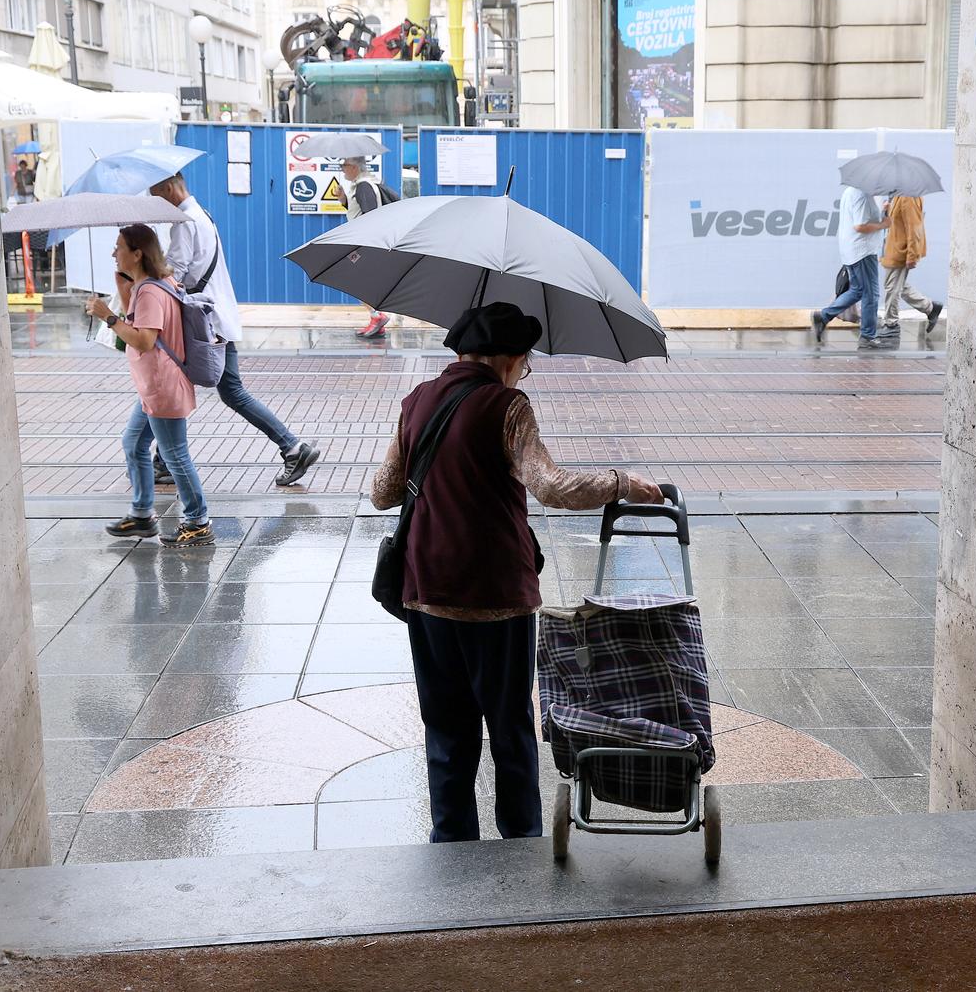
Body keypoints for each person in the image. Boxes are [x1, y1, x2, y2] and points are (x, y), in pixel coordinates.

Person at [369, 302, 664, 843]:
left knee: (447, 727)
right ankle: (521, 837)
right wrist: (621, 481)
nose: (524, 371)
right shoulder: (506, 406)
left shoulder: (416, 401)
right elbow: (551, 486)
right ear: (507, 359)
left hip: (425, 589)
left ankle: (452, 840)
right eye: (524, 361)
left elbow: (382, 492)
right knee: (508, 727)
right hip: (495, 595)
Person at [149, 173, 322, 487]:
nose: (156, 202)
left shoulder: (185, 222)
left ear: (171, 187)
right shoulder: (203, 216)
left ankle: (293, 447)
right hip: (213, 320)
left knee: (213, 391)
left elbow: (173, 273)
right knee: (202, 389)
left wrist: (144, 267)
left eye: (157, 194)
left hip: (203, 326)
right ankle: (164, 460)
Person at [84, 225, 214, 547]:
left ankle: (198, 521)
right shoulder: (151, 285)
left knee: (174, 455)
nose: (114, 253)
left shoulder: (151, 292)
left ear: (137, 253)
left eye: (119, 247)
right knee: (133, 443)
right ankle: (142, 514)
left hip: (162, 386)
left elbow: (144, 339)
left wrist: (108, 316)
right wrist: (125, 291)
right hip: (153, 385)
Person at [812, 183, 887, 350]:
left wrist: (881, 212)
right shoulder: (863, 195)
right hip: (863, 252)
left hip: (853, 250)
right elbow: (860, 226)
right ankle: (868, 336)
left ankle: (823, 316)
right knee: (871, 295)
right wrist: (883, 224)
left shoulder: (851, 191)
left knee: (858, 290)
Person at [339, 157, 395, 339]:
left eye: (344, 166)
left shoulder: (363, 185)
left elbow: (370, 215)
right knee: (365, 282)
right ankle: (376, 320)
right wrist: (344, 200)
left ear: (354, 167)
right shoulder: (364, 184)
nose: (342, 169)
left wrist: (363, 245)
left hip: (366, 242)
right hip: (367, 242)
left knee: (354, 280)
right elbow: (361, 210)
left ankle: (377, 315)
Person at [878, 195, 943, 337]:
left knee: (892, 287)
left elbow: (914, 227)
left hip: (901, 250)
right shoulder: (898, 195)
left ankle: (891, 325)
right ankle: (930, 308)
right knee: (898, 285)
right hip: (893, 249)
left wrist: (912, 255)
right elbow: (897, 221)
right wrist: (887, 210)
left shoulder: (908, 196)